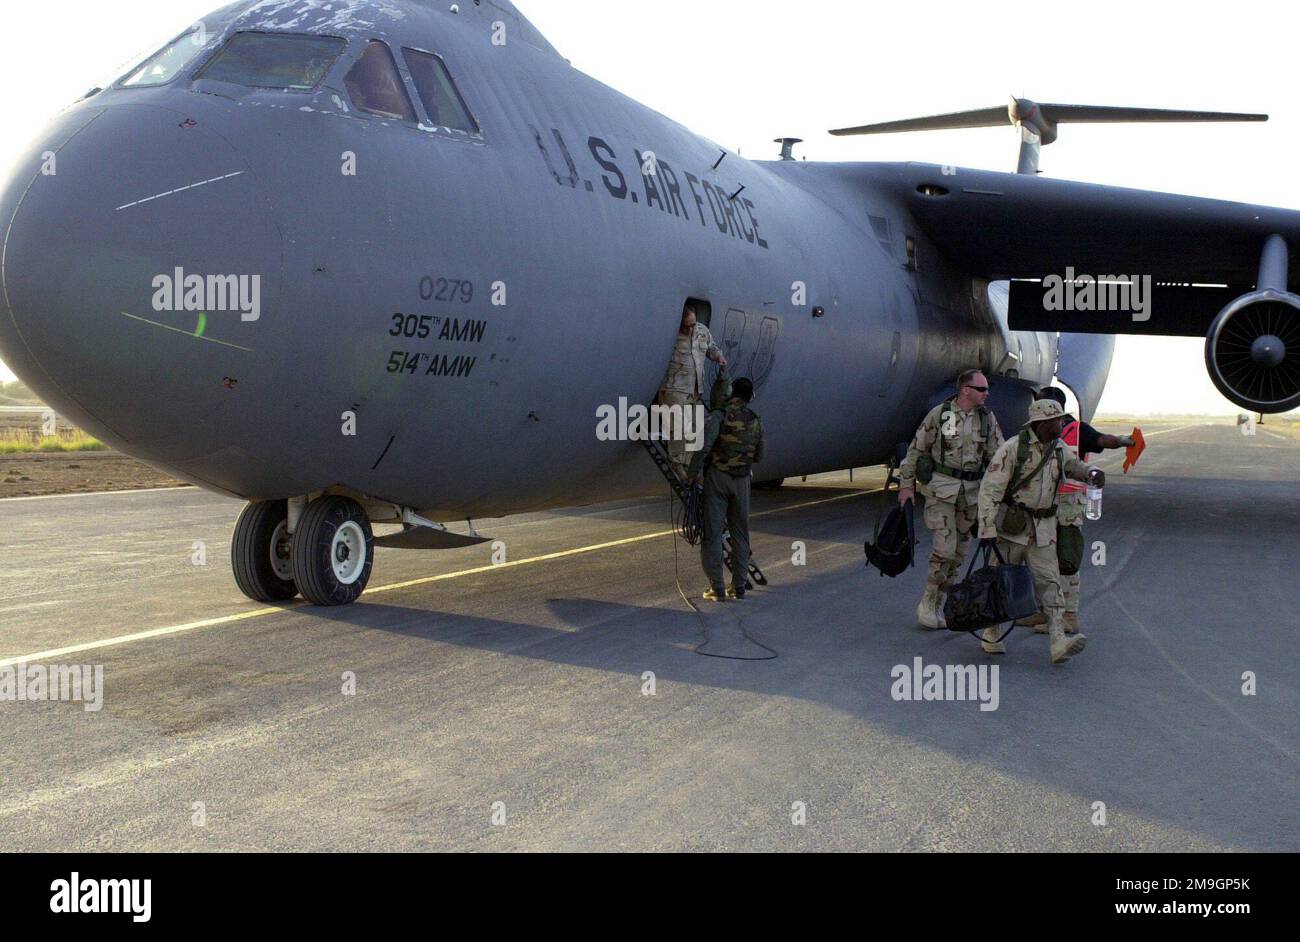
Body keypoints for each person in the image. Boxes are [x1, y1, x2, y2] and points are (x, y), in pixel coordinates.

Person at [977, 398, 1106, 664]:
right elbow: (990, 490)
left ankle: (1058, 640)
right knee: (1001, 583)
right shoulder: (1013, 449)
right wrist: (987, 528)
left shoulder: (1058, 448)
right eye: (1057, 420)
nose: (1062, 423)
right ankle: (992, 632)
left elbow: (1074, 467)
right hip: (1011, 530)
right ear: (1042, 423)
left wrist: (1091, 472)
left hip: (1043, 531)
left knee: (1050, 584)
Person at [1015, 387, 1136, 634]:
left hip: (1068, 505)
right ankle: (1044, 611)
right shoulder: (1037, 433)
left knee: (1066, 559)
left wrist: (1125, 441)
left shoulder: (1078, 429)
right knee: (1040, 560)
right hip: (1044, 504)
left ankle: (1069, 615)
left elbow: (1103, 441)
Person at [898, 370, 1004, 628]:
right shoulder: (940, 414)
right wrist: (906, 486)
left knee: (958, 554)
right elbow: (916, 451)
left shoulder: (987, 419)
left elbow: (999, 458)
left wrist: (1001, 493)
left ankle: (941, 600)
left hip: (971, 495)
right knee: (944, 549)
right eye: (982, 389)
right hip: (942, 491)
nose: (986, 393)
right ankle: (928, 599)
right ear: (965, 390)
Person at [687, 374, 763, 602]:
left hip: (718, 479)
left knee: (712, 533)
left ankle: (717, 588)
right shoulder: (755, 419)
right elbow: (760, 455)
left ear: (730, 393)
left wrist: (692, 475)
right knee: (741, 534)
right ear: (750, 397)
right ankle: (739, 587)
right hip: (742, 482)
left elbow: (704, 447)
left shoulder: (720, 416)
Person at [658, 303, 726, 479]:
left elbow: (711, 347)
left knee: (695, 428)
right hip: (675, 388)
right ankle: (676, 461)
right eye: (686, 326)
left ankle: (688, 464)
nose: (690, 329)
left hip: (696, 389)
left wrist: (718, 356)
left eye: (692, 324)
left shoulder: (701, 331)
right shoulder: (670, 333)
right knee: (678, 428)